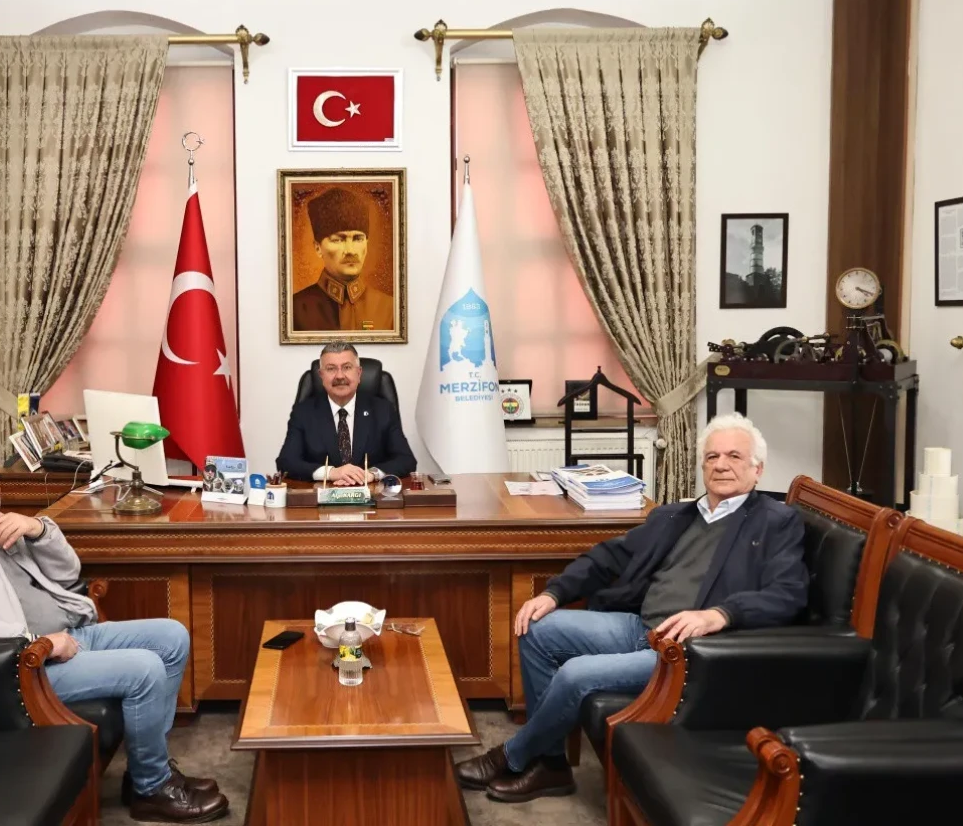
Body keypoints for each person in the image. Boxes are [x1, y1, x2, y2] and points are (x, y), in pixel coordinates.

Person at [454, 413, 808, 803]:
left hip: (685, 652)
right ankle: (551, 765)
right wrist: (553, 594)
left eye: (734, 456)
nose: (721, 465)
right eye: (712, 457)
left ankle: (512, 756)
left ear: (757, 469)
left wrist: (719, 615)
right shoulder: (676, 516)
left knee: (575, 674)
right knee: (537, 628)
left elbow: (787, 594)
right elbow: (608, 556)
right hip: (639, 626)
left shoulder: (776, 522)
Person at [0, 439, 228, 823]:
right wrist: (39, 643)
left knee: (172, 637)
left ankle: (147, 769)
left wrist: (38, 528)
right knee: (146, 669)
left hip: (72, 632)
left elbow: (68, 573)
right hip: (26, 666)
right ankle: (151, 789)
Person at [276, 341, 417, 483]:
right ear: (321, 375)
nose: (339, 376)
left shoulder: (383, 410)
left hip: (371, 493)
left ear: (359, 373)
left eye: (347, 367)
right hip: (322, 493)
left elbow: (406, 460)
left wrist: (371, 474)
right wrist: (330, 473)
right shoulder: (303, 413)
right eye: (331, 369)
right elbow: (286, 462)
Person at [291, 187, 395, 333]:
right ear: (318, 248)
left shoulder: (389, 309)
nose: (350, 250)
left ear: (367, 244)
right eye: (338, 240)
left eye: (358, 239)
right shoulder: (294, 310)